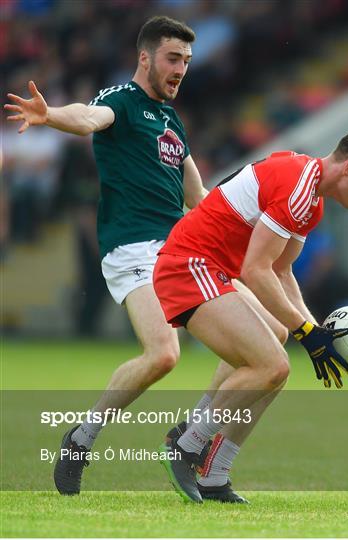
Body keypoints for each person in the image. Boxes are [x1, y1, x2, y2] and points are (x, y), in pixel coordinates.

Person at [5, 15, 286, 503]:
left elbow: (199, 196)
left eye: (187, 61)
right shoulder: (122, 100)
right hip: (135, 248)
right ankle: (81, 439)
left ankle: (191, 437)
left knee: (272, 334)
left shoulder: (174, 122)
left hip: (182, 252)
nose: (181, 69)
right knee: (163, 355)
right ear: (145, 57)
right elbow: (88, 118)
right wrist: (51, 116)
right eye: (173, 58)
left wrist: (250, 219)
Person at [153, 128, 348, 503]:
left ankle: (214, 475)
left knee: (273, 355)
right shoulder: (300, 187)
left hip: (212, 271)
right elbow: (256, 270)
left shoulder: (311, 197)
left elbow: (282, 272)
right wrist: (306, 331)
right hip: (189, 266)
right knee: (272, 366)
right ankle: (187, 446)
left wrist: (314, 330)